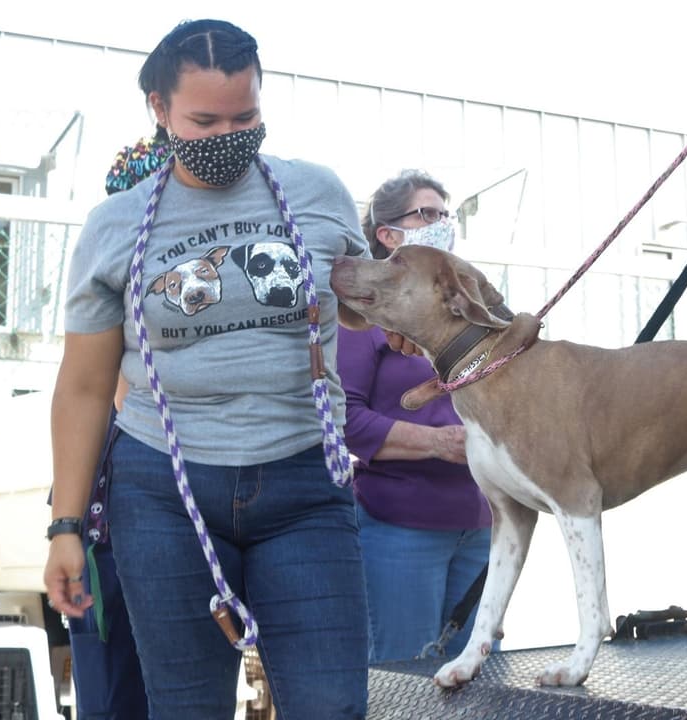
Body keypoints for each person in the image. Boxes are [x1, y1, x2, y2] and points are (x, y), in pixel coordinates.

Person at [44, 19, 370, 718]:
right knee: (187, 708)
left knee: (332, 705)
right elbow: (84, 386)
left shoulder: (317, 193)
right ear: (158, 110)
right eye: (204, 119)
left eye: (245, 115)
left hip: (304, 485)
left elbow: (368, 306)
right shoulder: (116, 225)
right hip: (164, 490)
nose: (228, 133)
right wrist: (65, 527)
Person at [336, 170, 494, 663]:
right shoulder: (364, 314)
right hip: (401, 529)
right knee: (406, 679)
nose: (441, 224)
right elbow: (345, 420)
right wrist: (435, 442)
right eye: (426, 214)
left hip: (481, 521)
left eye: (445, 214)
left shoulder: (463, 306)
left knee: (479, 680)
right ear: (387, 234)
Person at [62, 138, 167, 720]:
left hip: (165, 521)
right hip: (104, 521)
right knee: (108, 691)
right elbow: (94, 394)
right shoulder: (112, 281)